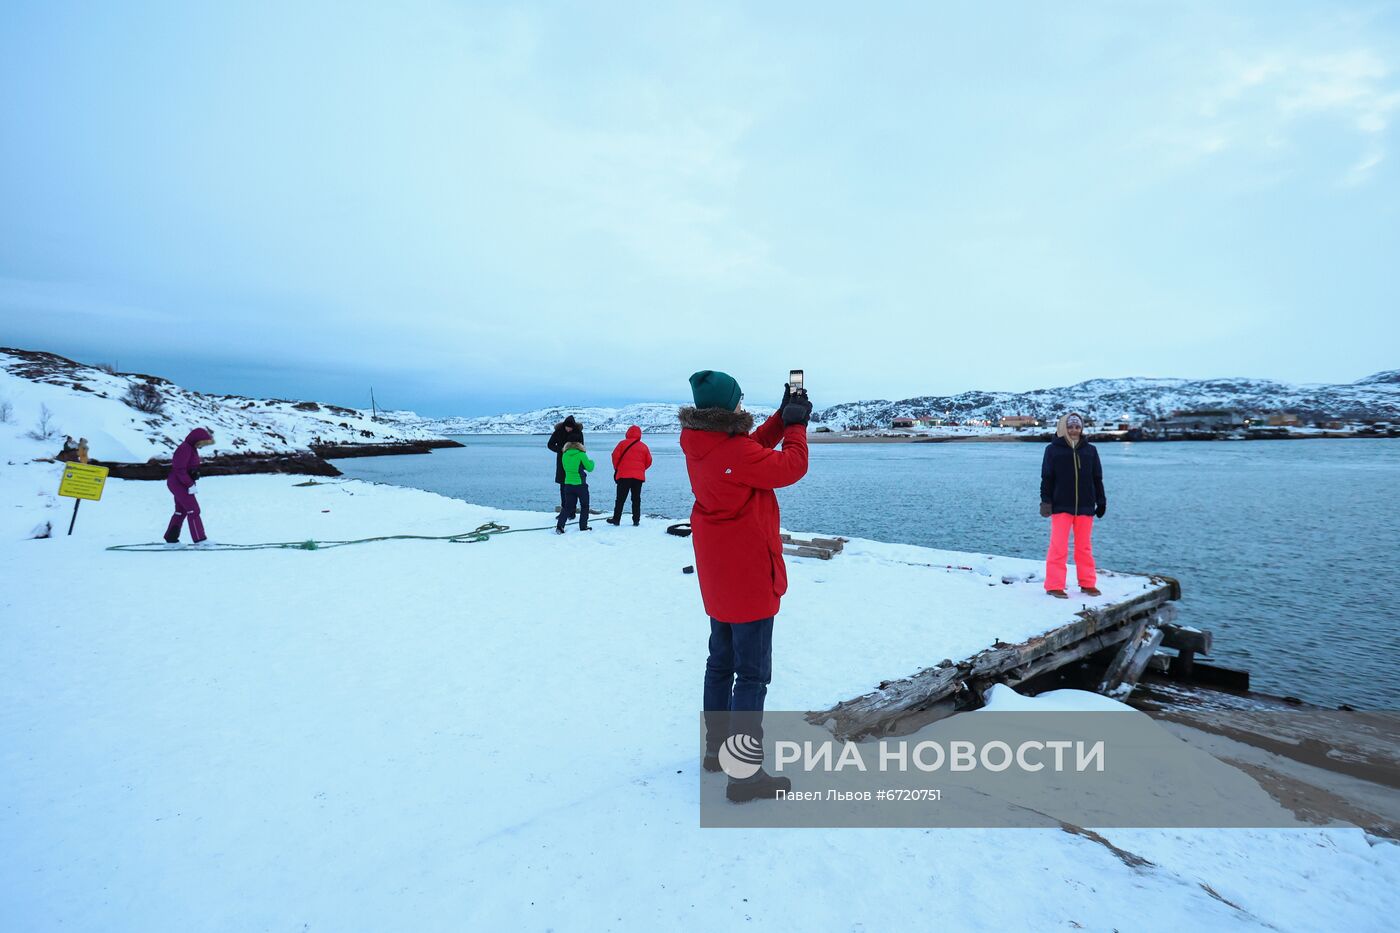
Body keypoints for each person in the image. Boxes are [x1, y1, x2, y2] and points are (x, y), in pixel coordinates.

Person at [680, 370, 811, 803]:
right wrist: (796, 425)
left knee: (720, 663)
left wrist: (780, 414)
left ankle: (717, 751)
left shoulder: (701, 443)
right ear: (727, 409)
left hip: (720, 577)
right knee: (751, 675)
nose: (742, 406)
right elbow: (791, 466)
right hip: (749, 577)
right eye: (739, 401)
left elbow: (749, 448)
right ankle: (744, 775)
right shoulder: (731, 452)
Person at [1040, 412, 1106, 598]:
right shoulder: (1052, 450)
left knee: (1084, 547)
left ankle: (1087, 583)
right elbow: (1047, 478)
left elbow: (1097, 478)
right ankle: (1054, 585)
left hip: (1086, 506)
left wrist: (1101, 500)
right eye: (1070, 426)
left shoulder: (1090, 450)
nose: (1074, 430)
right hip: (1061, 506)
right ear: (1063, 428)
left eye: (1077, 427)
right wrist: (1046, 501)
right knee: (1058, 547)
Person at [164, 427, 215, 546]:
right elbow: (179, 469)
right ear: (196, 440)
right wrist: (190, 484)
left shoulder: (191, 448)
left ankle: (171, 539)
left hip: (180, 482)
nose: (202, 446)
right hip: (179, 483)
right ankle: (200, 540)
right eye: (201, 443)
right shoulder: (185, 449)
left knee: (181, 511)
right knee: (194, 510)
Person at [605, 425, 653, 526]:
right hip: (638, 477)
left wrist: (617, 468)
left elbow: (614, 456)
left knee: (620, 499)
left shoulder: (622, 444)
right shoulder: (644, 446)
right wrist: (640, 469)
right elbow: (649, 461)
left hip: (623, 476)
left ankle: (616, 519)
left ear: (628, 433)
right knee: (636, 499)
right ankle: (636, 520)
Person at [555, 438, 595, 533]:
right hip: (580, 485)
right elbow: (589, 468)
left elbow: (565, 468)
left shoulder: (564, 455)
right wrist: (592, 462)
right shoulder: (581, 455)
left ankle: (560, 526)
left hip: (568, 484)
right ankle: (583, 526)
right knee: (584, 506)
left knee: (568, 507)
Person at [546, 416, 583, 511]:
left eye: (570, 427)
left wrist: (582, 462)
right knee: (563, 486)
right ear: (564, 426)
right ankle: (564, 509)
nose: (568, 429)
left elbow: (582, 447)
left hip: (575, 462)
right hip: (562, 462)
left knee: (575, 486)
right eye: (567, 427)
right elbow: (550, 445)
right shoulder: (558, 432)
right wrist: (561, 450)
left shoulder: (578, 433)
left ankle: (572, 510)